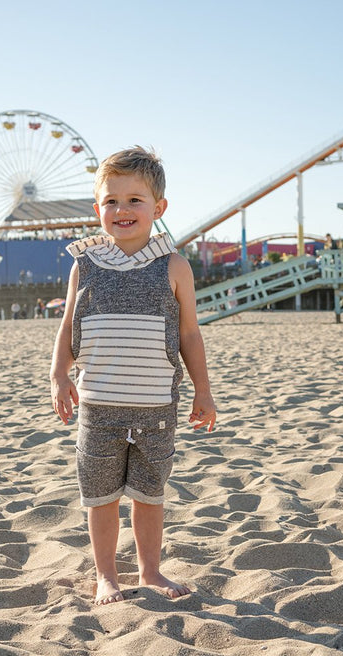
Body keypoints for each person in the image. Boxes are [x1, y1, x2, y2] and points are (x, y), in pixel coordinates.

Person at [49, 147, 216, 606]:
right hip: (98, 405)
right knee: (101, 498)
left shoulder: (175, 266)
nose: (122, 211)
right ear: (97, 207)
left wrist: (204, 390)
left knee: (149, 494)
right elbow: (67, 326)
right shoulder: (84, 264)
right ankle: (106, 575)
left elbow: (189, 333)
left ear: (158, 208)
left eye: (135, 201)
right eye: (111, 201)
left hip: (155, 407)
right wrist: (59, 375)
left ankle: (150, 571)